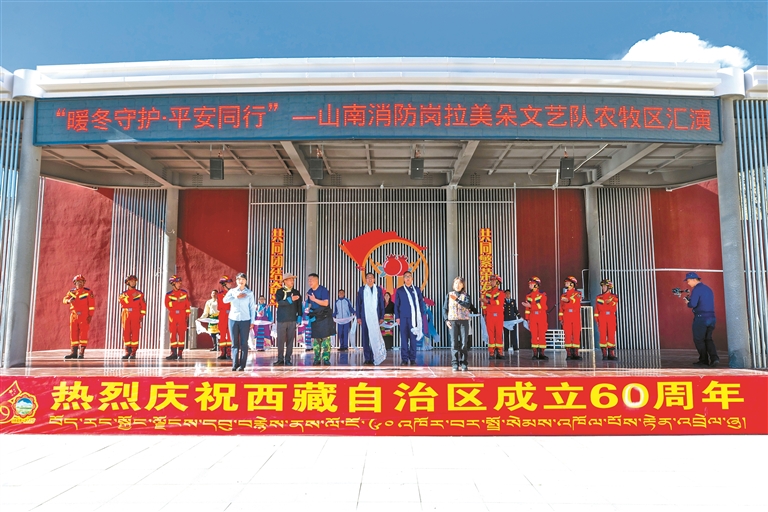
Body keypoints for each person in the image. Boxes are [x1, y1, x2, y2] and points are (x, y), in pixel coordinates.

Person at [681, 272, 719, 367]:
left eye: (688, 281)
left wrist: (687, 302)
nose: (688, 283)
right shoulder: (708, 289)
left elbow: (693, 304)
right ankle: (715, 359)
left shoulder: (696, 290)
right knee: (708, 339)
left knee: (699, 339)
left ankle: (704, 360)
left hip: (701, 318)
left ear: (694, 279)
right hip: (711, 317)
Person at [223, 273, 256, 371]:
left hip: (245, 320)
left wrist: (252, 321)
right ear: (236, 281)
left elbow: (252, 308)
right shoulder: (232, 291)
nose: (241, 281)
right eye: (239, 279)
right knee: (234, 343)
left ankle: (242, 365)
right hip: (233, 319)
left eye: (242, 279)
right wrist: (236, 297)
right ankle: (234, 364)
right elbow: (225, 300)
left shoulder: (249, 293)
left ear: (245, 281)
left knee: (244, 343)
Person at [394, 270, 426, 366]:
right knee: (404, 339)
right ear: (403, 279)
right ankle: (404, 359)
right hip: (403, 318)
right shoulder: (400, 290)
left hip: (414, 319)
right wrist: (397, 317)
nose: (408, 278)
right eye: (406, 276)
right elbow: (396, 305)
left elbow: (421, 303)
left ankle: (412, 359)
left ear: (412, 278)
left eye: (409, 276)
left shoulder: (417, 290)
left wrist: (422, 315)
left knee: (413, 339)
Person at [443, 277, 475, 371]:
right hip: (453, 321)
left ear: (462, 285)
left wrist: (457, 300)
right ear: (453, 285)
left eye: (459, 283)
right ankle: (455, 363)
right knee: (454, 343)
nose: (457, 285)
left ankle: (464, 363)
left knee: (464, 343)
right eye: (456, 283)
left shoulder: (466, 295)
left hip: (464, 321)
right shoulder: (449, 295)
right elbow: (444, 308)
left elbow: (467, 305)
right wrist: (446, 320)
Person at [355, 272, 386, 366]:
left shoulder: (378, 289)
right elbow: (358, 303)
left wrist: (381, 316)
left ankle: (374, 356)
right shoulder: (362, 289)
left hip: (375, 317)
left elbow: (381, 303)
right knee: (365, 337)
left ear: (374, 279)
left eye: (371, 277)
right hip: (364, 317)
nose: (370, 279)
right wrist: (358, 317)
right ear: (365, 279)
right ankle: (367, 358)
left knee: (375, 336)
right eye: (368, 277)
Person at [62, 274, 95, 360]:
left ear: (84, 283)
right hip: (73, 315)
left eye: (81, 281)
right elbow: (64, 300)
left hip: (84, 316)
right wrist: (69, 301)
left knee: (83, 334)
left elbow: (91, 305)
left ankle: (81, 352)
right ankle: (73, 352)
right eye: (78, 282)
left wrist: (90, 315)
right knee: (73, 333)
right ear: (74, 283)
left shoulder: (88, 292)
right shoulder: (71, 292)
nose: (79, 283)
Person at [273, 272, 302, 366]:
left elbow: (299, 306)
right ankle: (280, 359)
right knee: (281, 340)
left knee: (290, 340)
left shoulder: (296, 292)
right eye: (290, 280)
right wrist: (290, 299)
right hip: (282, 319)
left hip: (292, 319)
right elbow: (280, 302)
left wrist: (299, 317)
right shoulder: (280, 291)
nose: (292, 281)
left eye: (292, 280)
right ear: (284, 281)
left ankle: (288, 359)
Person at [307, 273, 334, 366]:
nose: (309, 282)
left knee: (326, 338)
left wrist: (314, 299)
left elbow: (326, 303)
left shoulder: (323, 290)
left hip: (324, 316)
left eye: (311, 280)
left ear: (316, 280)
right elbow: (309, 304)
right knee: (316, 339)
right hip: (315, 317)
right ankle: (317, 358)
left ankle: (326, 358)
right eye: (308, 280)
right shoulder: (309, 291)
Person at [118, 275, 146, 360]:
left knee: (135, 333)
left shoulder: (140, 293)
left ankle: (133, 352)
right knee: (126, 332)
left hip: (135, 313)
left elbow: (143, 305)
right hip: (126, 313)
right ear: (127, 283)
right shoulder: (123, 294)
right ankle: (127, 351)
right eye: (131, 281)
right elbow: (123, 303)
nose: (133, 283)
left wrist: (141, 315)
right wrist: (131, 297)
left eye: (134, 281)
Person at [164, 275, 191, 360]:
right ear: (173, 284)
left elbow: (187, 305)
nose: (180, 284)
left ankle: (180, 353)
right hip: (173, 316)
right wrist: (177, 301)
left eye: (180, 282)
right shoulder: (168, 295)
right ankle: (173, 353)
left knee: (182, 334)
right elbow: (168, 305)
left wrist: (187, 315)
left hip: (182, 315)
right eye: (177, 283)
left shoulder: (184, 293)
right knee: (173, 334)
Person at [522, 276, 549, 360]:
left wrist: (531, 306)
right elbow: (527, 309)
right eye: (529, 284)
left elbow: (543, 306)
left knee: (541, 335)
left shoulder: (542, 294)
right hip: (532, 317)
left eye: (531, 284)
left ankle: (542, 353)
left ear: (536, 285)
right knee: (534, 335)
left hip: (541, 316)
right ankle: (535, 353)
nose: (529, 285)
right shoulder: (528, 295)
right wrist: (527, 318)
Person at [480, 274, 505, 360]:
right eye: (491, 281)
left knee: (498, 334)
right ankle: (491, 352)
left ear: (498, 282)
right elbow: (484, 305)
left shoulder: (501, 293)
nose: (491, 282)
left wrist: (488, 301)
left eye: (493, 281)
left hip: (498, 316)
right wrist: (485, 313)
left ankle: (500, 352)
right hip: (489, 316)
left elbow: (498, 302)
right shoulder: (487, 292)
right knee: (490, 334)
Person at [594, 279, 619, 361]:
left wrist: (610, 300)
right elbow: (596, 310)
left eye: (605, 286)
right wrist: (597, 319)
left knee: (611, 335)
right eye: (602, 286)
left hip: (611, 317)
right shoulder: (598, 297)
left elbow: (615, 301)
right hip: (602, 317)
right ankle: (604, 354)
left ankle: (611, 354)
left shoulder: (614, 297)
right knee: (602, 336)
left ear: (609, 287)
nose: (603, 288)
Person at [559, 276, 583, 360]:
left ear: (572, 284)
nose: (565, 283)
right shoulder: (563, 295)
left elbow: (577, 303)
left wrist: (568, 300)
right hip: (567, 315)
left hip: (575, 315)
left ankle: (575, 353)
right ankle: (569, 354)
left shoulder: (578, 293)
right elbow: (561, 308)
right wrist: (561, 318)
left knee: (576, 334)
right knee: (568, 334)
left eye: (568, 282)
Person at [216, 276, 234, 360]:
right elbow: (221, 305)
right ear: (224, 284)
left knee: (230, 335)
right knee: (222, 334)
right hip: (223, 315)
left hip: (231, 314)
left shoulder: (233, 293)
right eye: (228, 283)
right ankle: (223, 353)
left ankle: (229, 353)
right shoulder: (220, 294)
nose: (230, 284)